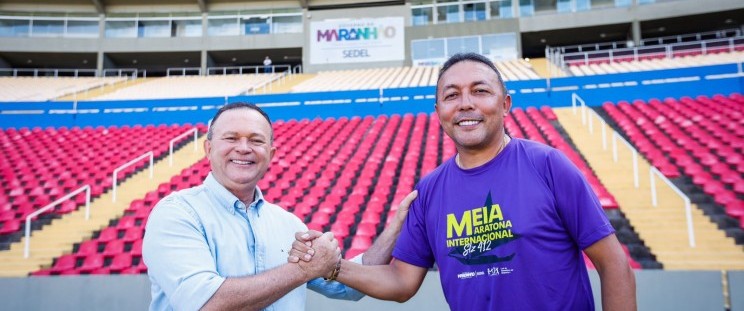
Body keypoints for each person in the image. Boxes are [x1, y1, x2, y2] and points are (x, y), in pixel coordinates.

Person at [291, 53, 637, 310]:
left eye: (480, 91)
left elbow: (613, 262)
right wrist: (332, 267)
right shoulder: (429, 191)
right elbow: (401, 282)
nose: (465, 104)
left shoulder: (547, 165)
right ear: (439, 109)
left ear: (505, 104)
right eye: (452, 95)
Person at [143, 102, 416, 311]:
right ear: (208, 148)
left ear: (271, 154)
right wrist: (303, 271)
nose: (243, 148)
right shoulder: (177, 213)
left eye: (256, 140)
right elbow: (206, 303)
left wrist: (396, 229)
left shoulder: (289, 224)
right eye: (231, 138)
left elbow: (347, 288)